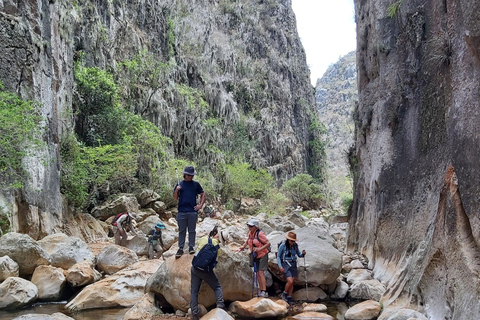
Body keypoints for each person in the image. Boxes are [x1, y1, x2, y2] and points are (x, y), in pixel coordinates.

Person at [190, 227, 225, 320]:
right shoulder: (218, 248)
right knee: (217, 286)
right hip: (206, 271)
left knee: (194, 291)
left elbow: (196, 245)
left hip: (195, 268)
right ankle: (220, 307)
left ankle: (194, 314)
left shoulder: (204, 239)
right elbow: (214, 261)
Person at [173, 166, 206, 258]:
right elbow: (175, 198)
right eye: (189, 175)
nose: (191, 177)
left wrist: (200, 205)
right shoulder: (180, 184)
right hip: (181, 211)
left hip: (192, 211)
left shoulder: (196, 184)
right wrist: (177, 190)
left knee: (192, 231)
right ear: (185, 175)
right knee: (182, 231)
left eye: (192, 175)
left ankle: (191, 247)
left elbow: (203, 194)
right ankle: (180, 248)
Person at [237, 218, 271, 298]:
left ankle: (264, 291)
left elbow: (268, 243)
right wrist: (243, 247)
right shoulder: (250, 233)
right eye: (249, 225)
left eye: (251, 226)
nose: (249, 227)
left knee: (260, 272)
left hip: (262, 254)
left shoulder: (260, 234)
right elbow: (248, 240)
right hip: (254, 254)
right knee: (257, 272)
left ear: (256, 227)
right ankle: (260, 290)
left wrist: (259, 249)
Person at [277, 231, 306, 305]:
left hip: (293, 264)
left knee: (292, 282)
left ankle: (289, 297)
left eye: (293, 241)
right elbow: (278, 256)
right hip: (286, 264)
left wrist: (302, 254)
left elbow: (299, 255)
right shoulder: (283, 245)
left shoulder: (295, 246)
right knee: (290, 281)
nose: (292, 242)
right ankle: (284, 293)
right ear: (288, 240)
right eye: (291, 241)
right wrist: (280, 266)